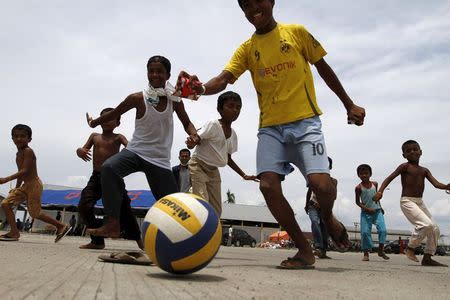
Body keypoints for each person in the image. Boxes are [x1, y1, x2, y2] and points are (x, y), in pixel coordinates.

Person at [176, 0, 365, 269]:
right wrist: (198, 88)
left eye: (257, 1)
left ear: (272, 1)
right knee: (267, 186)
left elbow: (323, 68)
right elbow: (224, 78)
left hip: (306, 124)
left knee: (322, 186)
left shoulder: (296, 32)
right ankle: (303, 250)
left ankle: (328, 217)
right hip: (270, 129)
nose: (252, 8)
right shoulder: (247, 48)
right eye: (245, 5)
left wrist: (349, 104)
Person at [85, 55, 198, 238]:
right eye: (151, 71)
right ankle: (112, 223)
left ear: (168, 75)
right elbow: (115, 112)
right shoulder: (138, 98)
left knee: (174, 204)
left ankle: (185, 237)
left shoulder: (174, 100)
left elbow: (187, 123)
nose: (155, 74)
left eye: (159, 71)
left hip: (159, 160)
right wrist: (94, 123)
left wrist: (194, 135)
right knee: (109, 168)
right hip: (135, 152)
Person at [374, 140, 450, 267]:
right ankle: (410, 247)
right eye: (408, 151)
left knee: (435, 229)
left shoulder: (424, 170)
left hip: (419, 202)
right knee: (427, 225)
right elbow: (389, 178)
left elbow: (436, 184)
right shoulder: (404, 166)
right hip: (407, 201)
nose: (412, 152)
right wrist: (380, 191)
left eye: (415, 149)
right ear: (404, 155)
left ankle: (427, 258)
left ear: (421, 152)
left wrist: (447, 186)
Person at [77, 107, 144, 249]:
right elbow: (83, 149)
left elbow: (131, 147)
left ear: (118, 123)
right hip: (96, 177)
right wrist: (80, 151)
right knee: (84, 205)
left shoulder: (118, 137)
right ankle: (97, 241)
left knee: (124, 208)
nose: (107, 121)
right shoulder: (94, 136)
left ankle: (140, 241)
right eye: (104, 118)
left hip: (114, 177)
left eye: (111, 119)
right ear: (99, 121)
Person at [186, 91, 257, 216]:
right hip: (199, 166)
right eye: (230, 106)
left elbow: (227, 158)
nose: (235, 110)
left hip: (213, 171)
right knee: (201, 203)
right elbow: (197, 138)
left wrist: (243, 175)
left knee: (216, 211)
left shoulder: (233, 135)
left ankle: (211, 232)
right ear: (219, 109)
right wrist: (192, 142)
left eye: (238, 107)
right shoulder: (213, 124)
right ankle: (192, 195)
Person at [0, 124, 71, 242]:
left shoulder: (28, 151)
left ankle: (61, 226)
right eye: (16, 136)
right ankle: (14, 232)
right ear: (12, 138)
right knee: (6, 203)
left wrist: (6, 179)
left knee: (35, 213)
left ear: (29, 139)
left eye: (22, 136)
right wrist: (16, 188)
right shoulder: (18, 154)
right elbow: (21, 173)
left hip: (34, 185)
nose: (19, 139)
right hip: (25, 186)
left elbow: (25, 170)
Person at [355, 164, 389, 261]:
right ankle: (366, 253)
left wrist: (380, 206)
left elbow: (377, 196)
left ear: (370, 174)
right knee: (365, 232)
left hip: (377, 211)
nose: (364, 175)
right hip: (366, 213)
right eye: (361, 174)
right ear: (358, 175)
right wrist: (367, 209)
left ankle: (381, 250)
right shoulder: (358, 188)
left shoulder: (375, 184)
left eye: (366, 173)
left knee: (383, 230)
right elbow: (357, 202)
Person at [305, 157, 335, 259]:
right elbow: (309, 192)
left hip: (325, 208)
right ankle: (318, 247)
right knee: (315, 222)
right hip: (313, 205)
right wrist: (306, 204)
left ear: (330, 167)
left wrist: (328, 209)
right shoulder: (313, 179)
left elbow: (333, 197)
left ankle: (323, 251)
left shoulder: (333, 181)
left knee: (324, 228)